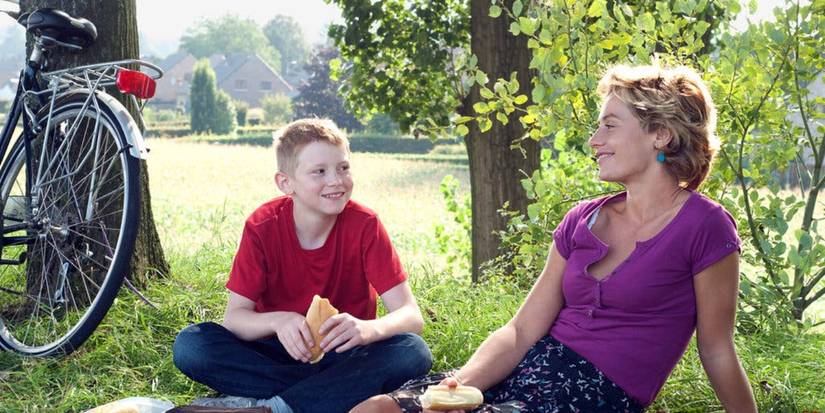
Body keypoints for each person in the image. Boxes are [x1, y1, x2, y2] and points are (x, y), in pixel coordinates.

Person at [352, 64, 758, 412]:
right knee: (379, 407)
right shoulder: (582, 219)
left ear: (661, 135)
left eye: (609, 126)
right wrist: (455, 387)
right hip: (526, 367)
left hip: (590, 394)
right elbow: (521, 331)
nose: (594, 141)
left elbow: (717, 350)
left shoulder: (705, 227)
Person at [173, 119, 433, 413]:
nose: (335, 180)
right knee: (191, 344)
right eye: (319, 172)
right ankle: (323, 396)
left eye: (343, 168)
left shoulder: (365, 225)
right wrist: (278, 321)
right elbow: (235, 320)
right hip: (274, 354)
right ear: (286, 183)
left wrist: (368, 330)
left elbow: (411, 316)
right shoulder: (262, 226)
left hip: (344, 354)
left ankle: (269, 408)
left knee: (412, 351)